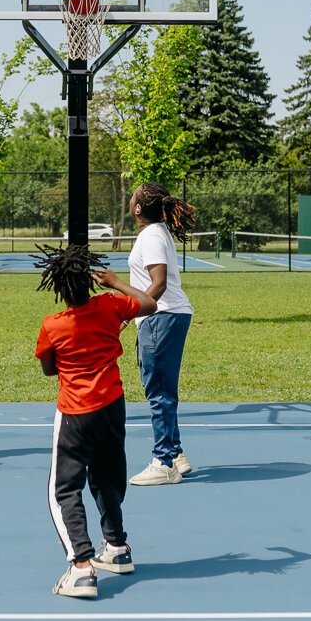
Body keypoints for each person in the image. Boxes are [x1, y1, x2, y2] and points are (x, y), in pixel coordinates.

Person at [34, 244, 157, 599]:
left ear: (58, 288)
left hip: (76, 411)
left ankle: (82, 567)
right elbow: (149, 304)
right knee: (106, 476)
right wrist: (116, 282)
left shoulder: (53, 325)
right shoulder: (111, 305)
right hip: (112, 406)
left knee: (64, 490)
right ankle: (117, 547)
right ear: (90, 281)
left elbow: (47, 368)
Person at [126, 182, 198, 486]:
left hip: (162, 317)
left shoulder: (152, 236)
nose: (130, 199)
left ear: (139, 208)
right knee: (162, 388)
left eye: (133, 196)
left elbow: (158, 283)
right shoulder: (154, 234)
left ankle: (163, 462)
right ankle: (176, 454)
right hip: (164, 317)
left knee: (158, 392)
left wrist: (128, 312)